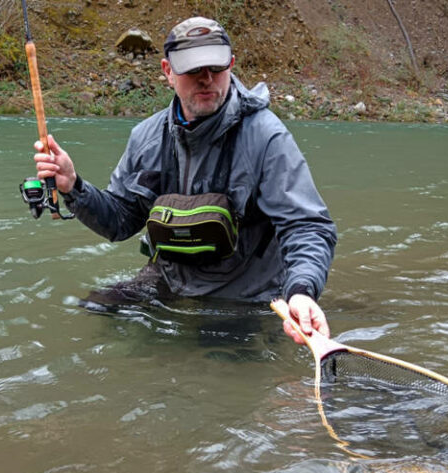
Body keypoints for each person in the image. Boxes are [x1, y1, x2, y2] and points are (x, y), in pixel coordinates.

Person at [32, 17, 337, 345]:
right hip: (168, 279)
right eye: (193, 69)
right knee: (95, 307)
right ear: (168, 71)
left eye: (216, 67)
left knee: (215, 362)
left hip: (244, 295)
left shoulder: (266, 136)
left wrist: (302, 290)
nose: (206, 79)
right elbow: (119, 221)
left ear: (231, 65)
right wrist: (73, 186)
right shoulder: (146, 138)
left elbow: (307, 226)